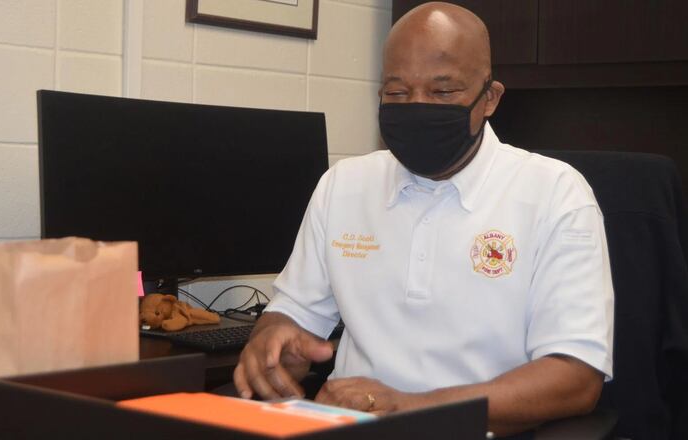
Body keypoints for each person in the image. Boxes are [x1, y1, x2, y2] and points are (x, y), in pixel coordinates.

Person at [234, 2, 614, 436]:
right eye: (397, 93)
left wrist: (411, 408)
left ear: (489, 98)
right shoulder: (344, 186)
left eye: (442, 92)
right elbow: (292, 312)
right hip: (345, 426)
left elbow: (575, 378)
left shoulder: (555, 195)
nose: (417, 107)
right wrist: (274, 340)